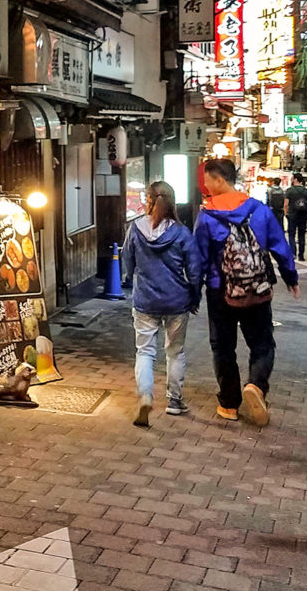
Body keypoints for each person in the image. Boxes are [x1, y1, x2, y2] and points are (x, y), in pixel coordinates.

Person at [195, 158, 300, 427]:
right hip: (256, 288)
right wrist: (290, 277)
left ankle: (229, 404)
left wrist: (194, 291)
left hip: (220, 291)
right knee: (263, 344)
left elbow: (198, 259)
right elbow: (279, 246)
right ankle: (256, 385)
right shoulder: (259, 211)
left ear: (219, 180)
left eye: (207, 180)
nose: (205, 186)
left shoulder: (207, 216)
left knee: (223, 348)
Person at [121, 180, 201, 428]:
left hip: (145, 300)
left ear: (148, 200)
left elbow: (127, 259)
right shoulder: (181, 232)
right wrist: (194, 296)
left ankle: (146, 395)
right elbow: (195, 270)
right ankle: (175, 401)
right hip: (177, 300)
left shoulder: (135, 228)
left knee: (145, 352)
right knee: (174, 351)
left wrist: (131, 277)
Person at [284, 172, 307, 260]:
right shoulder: (306, 191)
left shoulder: (290, 190)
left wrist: (286, 213)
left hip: (292, 214)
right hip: (303, 214)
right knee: (301, 235)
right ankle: (301, 255)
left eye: (292, 178)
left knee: (291, 234)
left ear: (295, 179)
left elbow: (286, 204)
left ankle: (293, 253)